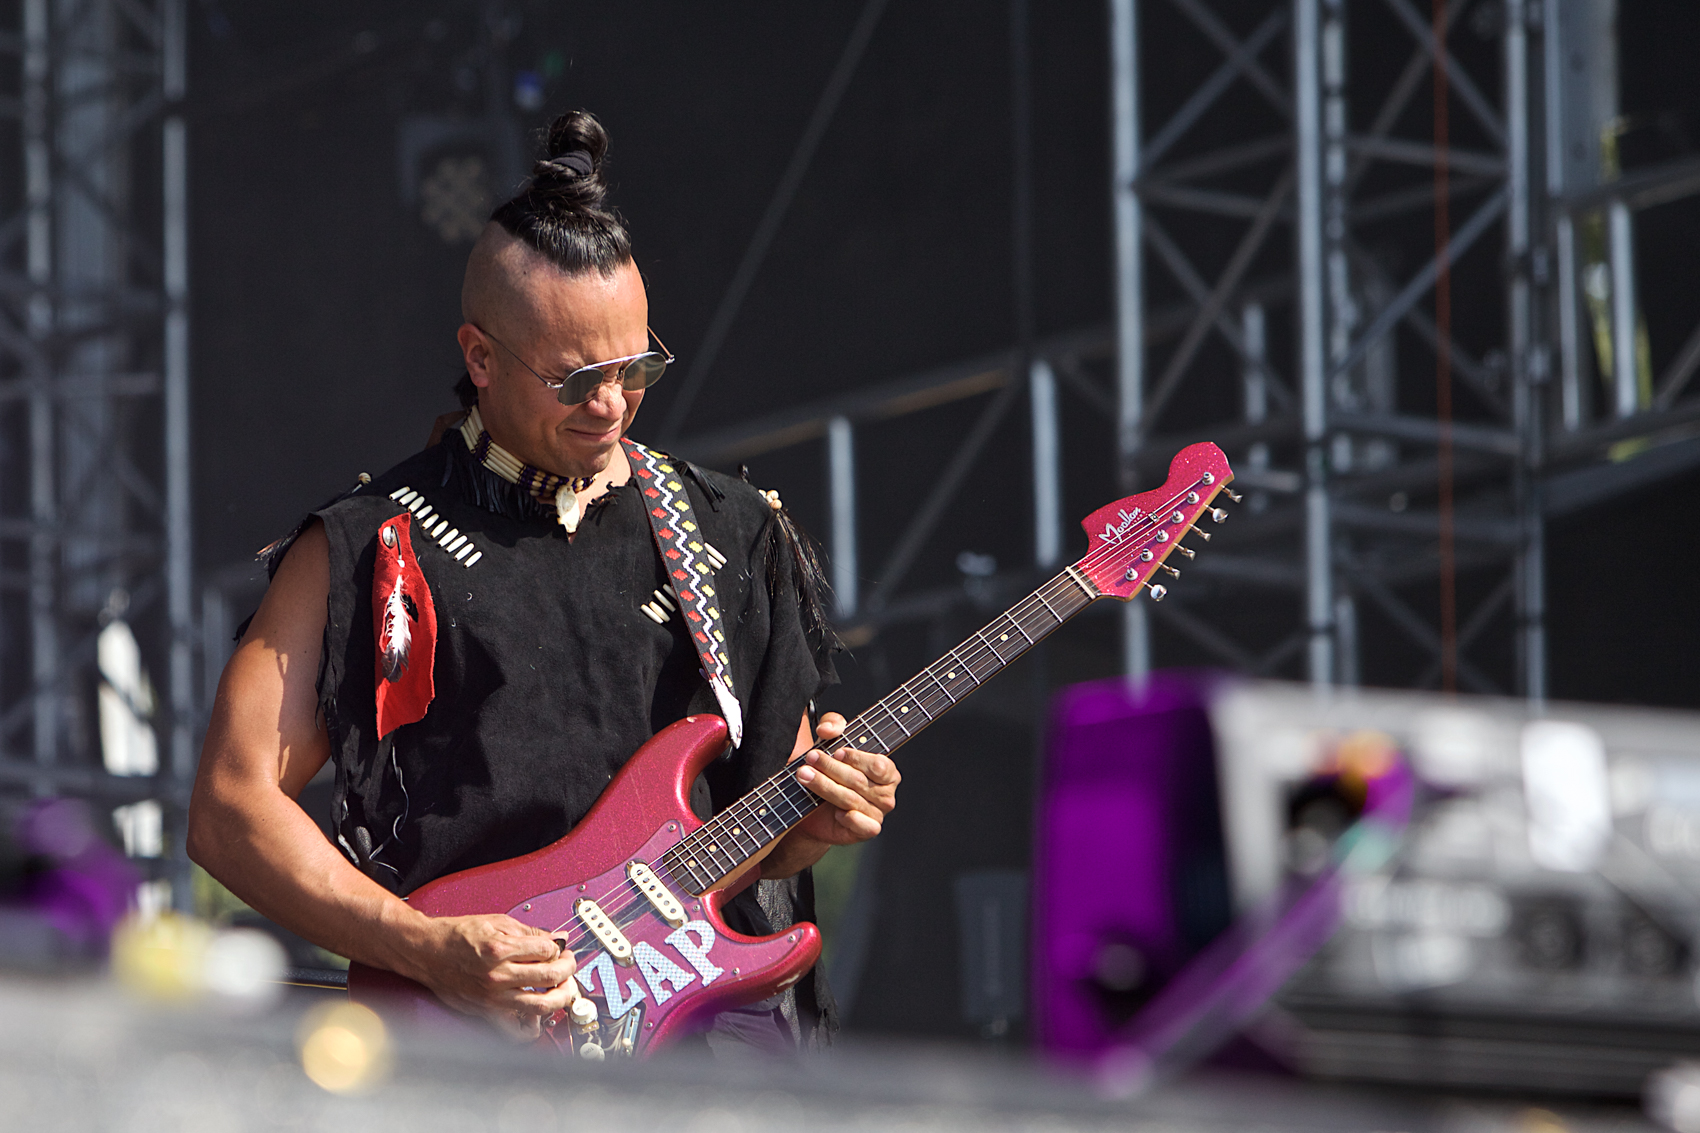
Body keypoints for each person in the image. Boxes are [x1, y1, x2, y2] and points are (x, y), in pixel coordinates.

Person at [187, 109, 899, 1051]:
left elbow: (763, 826)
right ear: (479, 357)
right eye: (576, 378)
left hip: (710, 1061)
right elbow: (232, 806)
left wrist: (824, 816)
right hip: (471, 1056)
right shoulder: (371, 544)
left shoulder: (730, 531)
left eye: (636, 365)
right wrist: (426, 947)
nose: (612, 403)